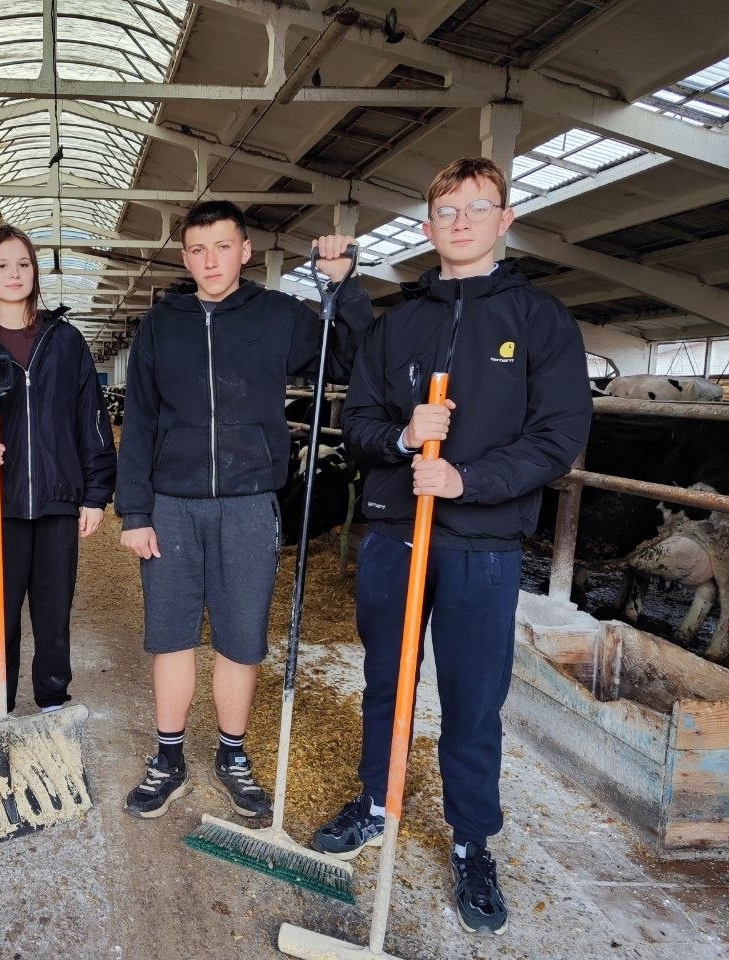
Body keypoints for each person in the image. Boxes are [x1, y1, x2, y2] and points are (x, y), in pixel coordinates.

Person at [309, 158, 592, 936]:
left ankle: (471, 842)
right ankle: (378, 801)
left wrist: (468, 480)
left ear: (505, 220)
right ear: (427, 226)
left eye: (477, 208)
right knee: (386, 681)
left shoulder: (540, 320)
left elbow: (559, 435)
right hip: (396, 535)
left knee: (472, 700)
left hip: (484, 544)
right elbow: (357, 423)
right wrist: (404, 438)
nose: (461, 222)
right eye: (446, 210)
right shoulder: (397, 323)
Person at [115, 199, 371, 821]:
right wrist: (135, 513)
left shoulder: (279, 314)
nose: (211, 262)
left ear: (245, 251)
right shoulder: (161, 324)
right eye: (198, 250)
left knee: (240, 637)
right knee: (171, 635)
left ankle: (232, 754)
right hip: (171, 505)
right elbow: (140, 420)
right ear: (185, 257)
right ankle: (168, 757)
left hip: (251, 502)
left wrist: (345, 285)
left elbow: (346, 355)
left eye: (223, 248)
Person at [0, 224, 117, 720]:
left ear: (35, 272)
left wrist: (95, 495)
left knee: (54, 615)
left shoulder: (66, 342)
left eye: (23, 264)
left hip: (57, 500)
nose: (14, 274)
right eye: (2, 265)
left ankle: (53, 703)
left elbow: (91, 421)